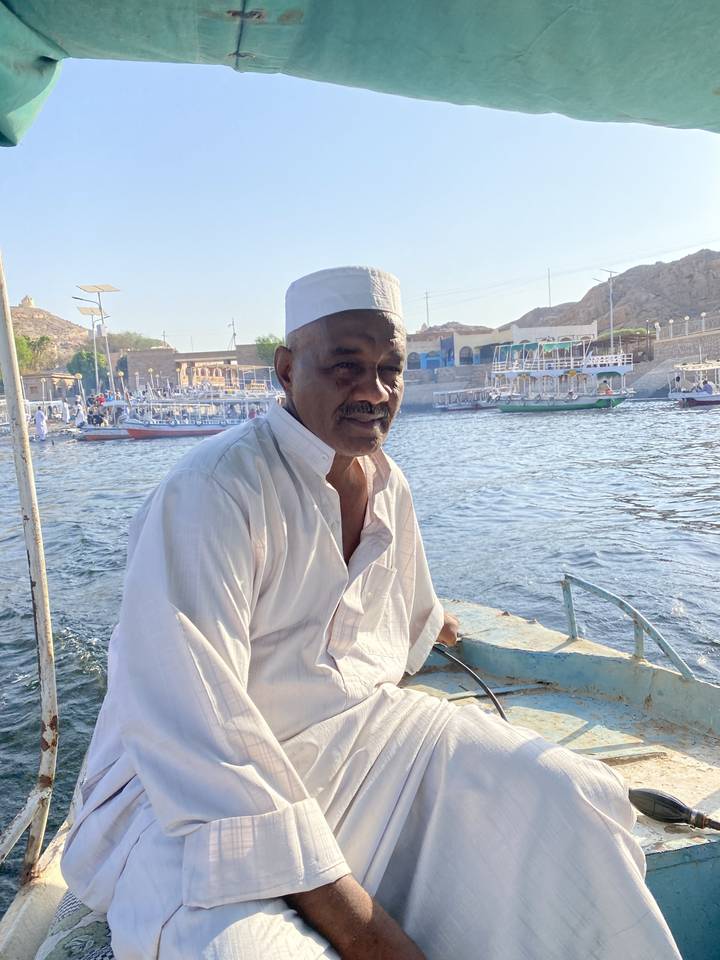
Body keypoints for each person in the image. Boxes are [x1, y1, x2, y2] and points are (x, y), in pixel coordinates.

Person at [61, 266, 681, 960]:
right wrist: (368, 934)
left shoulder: (391, 486)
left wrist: (433, 622)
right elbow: (195, 735)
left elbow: (406, 615)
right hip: (190, 800)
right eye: (347, 366)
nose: (375, 391)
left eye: (391, 369)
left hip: (353, 736)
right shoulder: (213, 492)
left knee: (576, 798)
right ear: (288, 370)